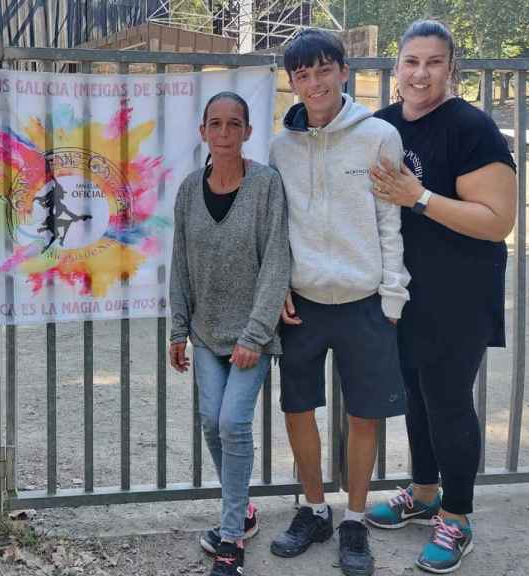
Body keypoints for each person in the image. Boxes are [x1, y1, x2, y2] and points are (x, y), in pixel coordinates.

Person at [365, 20, 516, 574]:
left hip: (460, 294)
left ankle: (458, 517)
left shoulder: (472, 128)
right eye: (411, 61)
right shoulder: (381, 125)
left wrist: (419, 196)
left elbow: (498, 220)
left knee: (448, 401)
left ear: (451, 68)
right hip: (401, 293)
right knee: (416, 394)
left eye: (433, 62)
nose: (420, 73)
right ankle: (424, 492)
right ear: (396, 67)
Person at [268, 29, 410, 576]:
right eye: (302, 75)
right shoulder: (281, 147)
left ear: (344, 72)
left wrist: (391, 298)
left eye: (323, 70)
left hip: (365, 300)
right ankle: (313, 509)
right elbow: (277, 226)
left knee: (364, 414)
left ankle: (353, 520)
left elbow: (389, 222)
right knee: (297, 408)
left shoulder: (377, 136)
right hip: (302, 302)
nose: (314, 83)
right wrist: (279, 285)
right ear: (293, 83)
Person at [169, 92, 290, 576]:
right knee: (209, 421)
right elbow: (180, 262)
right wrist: (178, 329)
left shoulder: (266, 186)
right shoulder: (186, 190)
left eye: (233, 124)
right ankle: (241, 509)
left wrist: (256, 335)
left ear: (247, 131)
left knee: (233, 423)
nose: (223, 133)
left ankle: (231, 541)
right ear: (202, 131)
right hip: (204, 332)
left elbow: (276, 261)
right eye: (214, 124)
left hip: (250, 335)